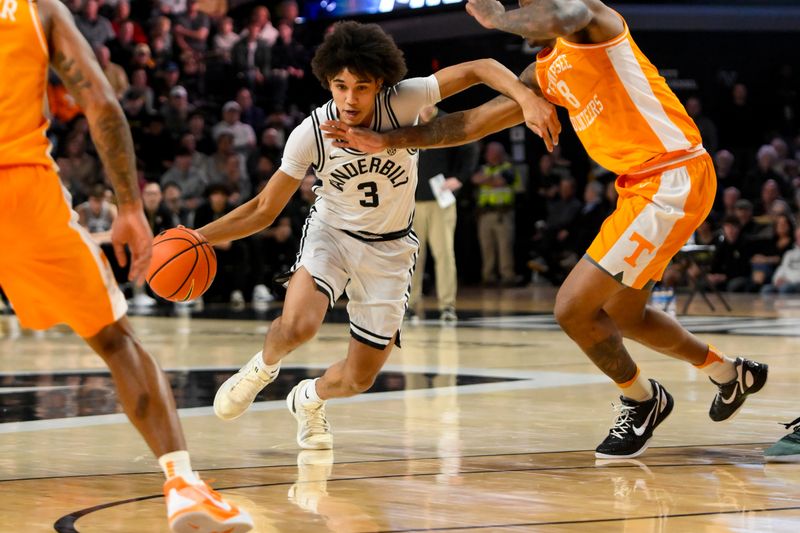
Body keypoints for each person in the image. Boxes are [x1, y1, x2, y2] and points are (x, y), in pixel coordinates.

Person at [321, 0, 769, 459]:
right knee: (625, 315)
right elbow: (471, 123)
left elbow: (564, 16)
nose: (518, 20)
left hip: (670, 177)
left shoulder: (592, 22)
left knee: (573, 309)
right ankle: (730, 373)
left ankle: (643, 400)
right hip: (641, 189)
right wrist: (388, 140)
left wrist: (496, 17)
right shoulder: (545, 73)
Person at [200, 21, 553, 450]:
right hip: (333, 234)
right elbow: (263, 208)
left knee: (359, 377)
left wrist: (526, 100)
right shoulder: (310, 133)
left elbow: (481, 67)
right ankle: (262, 367)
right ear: (327, 82)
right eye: (340, 85)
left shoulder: (403, 101)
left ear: (381, 83)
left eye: (362, 87)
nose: (350, 98)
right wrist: (199, 236)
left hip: (390, 249)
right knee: (297, 325)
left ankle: (309, 399)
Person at [0, 1, 252, 531]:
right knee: (116, 341)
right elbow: (102, 103)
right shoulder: (34, 9)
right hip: (19, 191)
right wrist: (131, 207)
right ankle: (184, 485)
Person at [409, 105, 479, 322]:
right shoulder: (408, 123)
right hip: (412, 202)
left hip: (441, 201)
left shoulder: (447, 122)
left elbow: (470, 147)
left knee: (445, 254)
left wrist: (459, 177)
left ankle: (447, 306)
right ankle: (410, 305)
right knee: (411, 257)